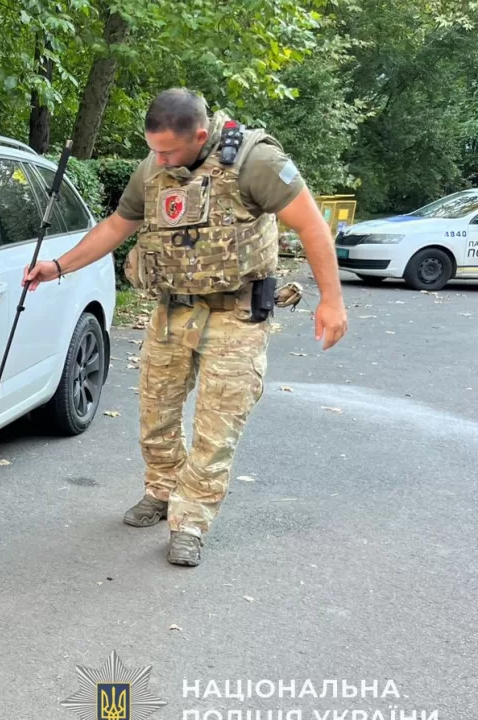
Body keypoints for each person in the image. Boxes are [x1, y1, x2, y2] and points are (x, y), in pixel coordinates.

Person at [23, 88, 347, 566]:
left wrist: (332, 301)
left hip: (236, 314)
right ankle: (162, 490)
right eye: (154, 148)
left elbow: (311, 224)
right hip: (173, 312)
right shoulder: (153, 167)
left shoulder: (254, 160)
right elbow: (117, 225)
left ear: (200, 135)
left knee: (217, 427)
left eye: (169, 150)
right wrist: (58, 266)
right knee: (156, 416)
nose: (159, 158)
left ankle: (191, 519)